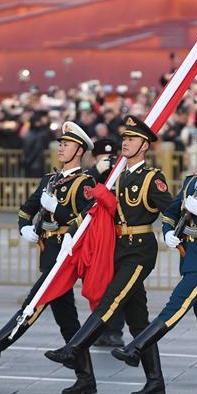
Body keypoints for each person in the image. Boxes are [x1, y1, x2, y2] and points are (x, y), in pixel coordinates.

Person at [113, 121, 197, 394]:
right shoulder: (192, 181)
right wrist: (169, 232)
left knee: (176, 305)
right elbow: (171, 213)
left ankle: (137, 347)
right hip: (191, 257)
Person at [44, 116, 173, 394]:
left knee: (110, 300)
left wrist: (171, 230)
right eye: (124, 138)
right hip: (119, 248)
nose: (125, 142)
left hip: (139, 249)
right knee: (138, 319)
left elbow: (171, 208)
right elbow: (93, 200)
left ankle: (74, 347)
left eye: (131, 139)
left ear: (144, 145)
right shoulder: (116, 176)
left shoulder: (152, 178)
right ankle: (155, 380)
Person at [0, 122, 96, 394]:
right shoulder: (49, 179)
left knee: (34, 302)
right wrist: (24, 227)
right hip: (48, 251)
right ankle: (86, 377)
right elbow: (26, 210)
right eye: (60, 143)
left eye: (67, 144)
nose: (61, 147)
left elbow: (86, 220)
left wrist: (58, 210)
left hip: (65, 254)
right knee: (67, 318)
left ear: (80, 150)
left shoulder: (85, 183)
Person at [87, 137, 126, 349]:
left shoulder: (122, 176)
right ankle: (99, 329)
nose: (108, 161)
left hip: (117, 236)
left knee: (114, 285)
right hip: (96, 238)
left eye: (112, 157)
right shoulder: (90, 176)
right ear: (95, 158)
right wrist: (95, 172)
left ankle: (114, 331)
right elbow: (81, 194)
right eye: (104, 157)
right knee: (97, 284)